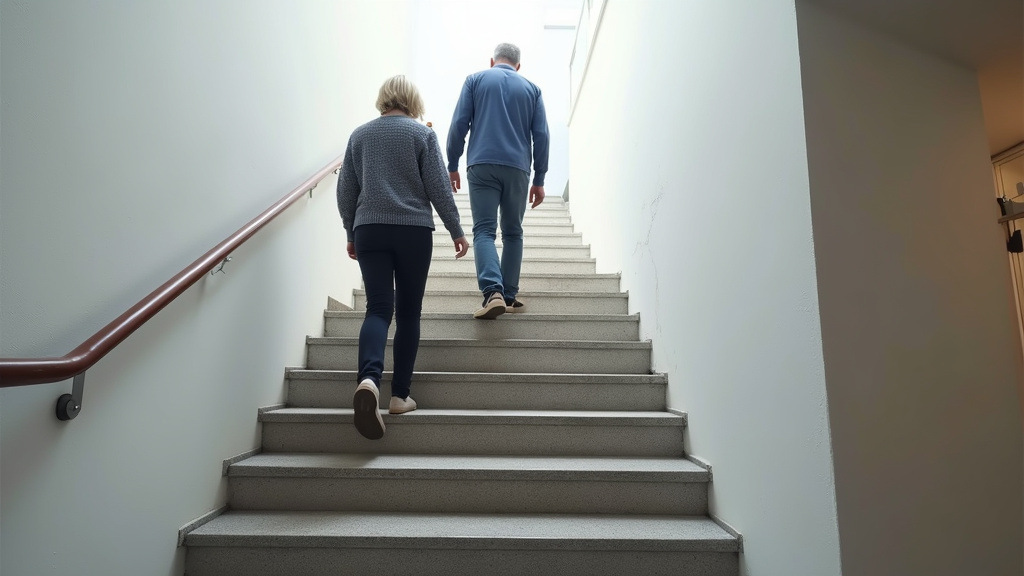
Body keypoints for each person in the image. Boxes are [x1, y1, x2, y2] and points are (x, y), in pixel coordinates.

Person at [337, 75, 469, 440]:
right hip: (413, 230)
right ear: (412, 100)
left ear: (383, 99)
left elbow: (346, 191)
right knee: (409, 312)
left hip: (370, 229)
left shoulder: (359, 136)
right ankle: (399, 396)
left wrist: (351, 231)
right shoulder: (421, 135)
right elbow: (439, 187)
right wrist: (456, 229)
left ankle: (368, 379)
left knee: (378, 309)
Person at [447, 42, 550, 320]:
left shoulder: (475, 80)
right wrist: (539, 179)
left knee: (483, 231)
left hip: (481, 165)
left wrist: (452, 163)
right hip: (517, 169)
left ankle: (493, 292)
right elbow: (541, 136)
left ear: (492, 61)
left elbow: (459, 125)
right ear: (518, 66)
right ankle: (508, 295)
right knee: (513, 232)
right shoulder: (532, 89)